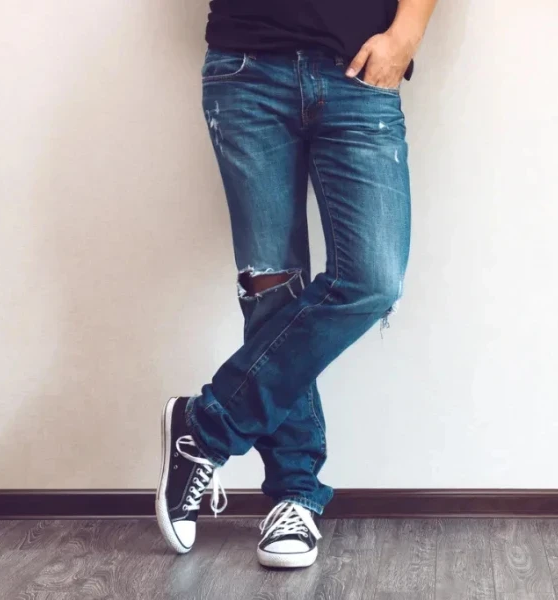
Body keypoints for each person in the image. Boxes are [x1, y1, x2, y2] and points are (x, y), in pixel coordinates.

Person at [155, 0, 437, 569]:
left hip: (360, 70)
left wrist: (406, 34)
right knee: (271, 290)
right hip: (246, 69)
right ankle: (294, 495)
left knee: (373, 280)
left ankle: (206, 427)